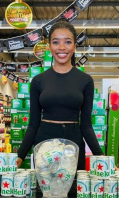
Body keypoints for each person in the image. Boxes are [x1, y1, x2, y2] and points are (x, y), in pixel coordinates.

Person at [17, 18, 103, 170]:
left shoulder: (86, 81)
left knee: (74, 190)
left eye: (68, 42)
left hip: (74, 144)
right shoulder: (38, 81)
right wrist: (19, 156)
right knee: (45, 190)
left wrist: (101, 157)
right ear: (49, 47)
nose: (62, 47)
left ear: (75, 46)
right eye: (56, 42)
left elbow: (87, 125)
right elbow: (33, 124)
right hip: (44, 143)